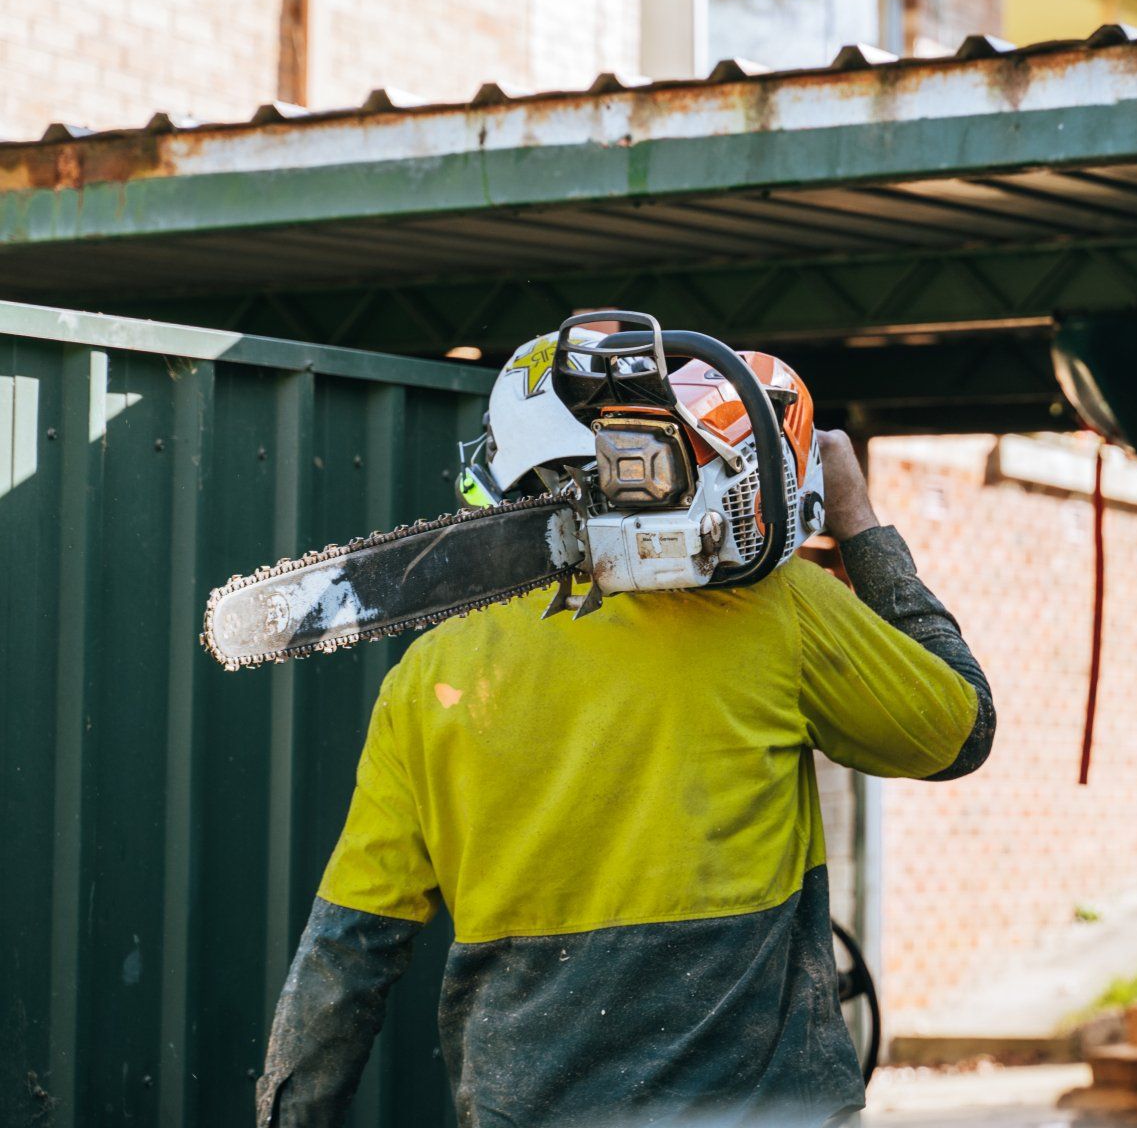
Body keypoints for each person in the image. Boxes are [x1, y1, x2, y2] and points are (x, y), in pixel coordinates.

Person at [256, 428, 993, 1127]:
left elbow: (347, 953)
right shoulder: (774, 607)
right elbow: (961, 730)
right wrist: (859, 521)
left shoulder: (430, 677)